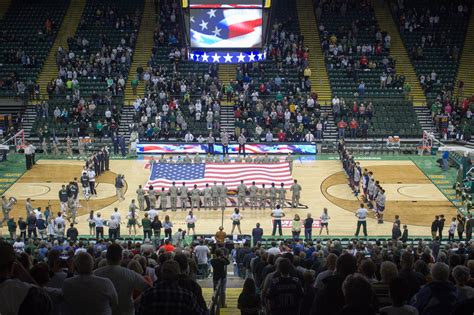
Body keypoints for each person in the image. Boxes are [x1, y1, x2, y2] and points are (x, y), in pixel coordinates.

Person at [94, 244, 149, 315]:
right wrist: (135, 302)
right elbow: (148, 290)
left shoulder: (96, 273)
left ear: (107, 257)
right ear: (121, 257)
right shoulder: (130, 274)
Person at [137, 260, 207, 315]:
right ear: (178, 275)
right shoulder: (187, 296)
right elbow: (201, 313)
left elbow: (139, 312)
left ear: (161, 273)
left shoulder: (148, 294)